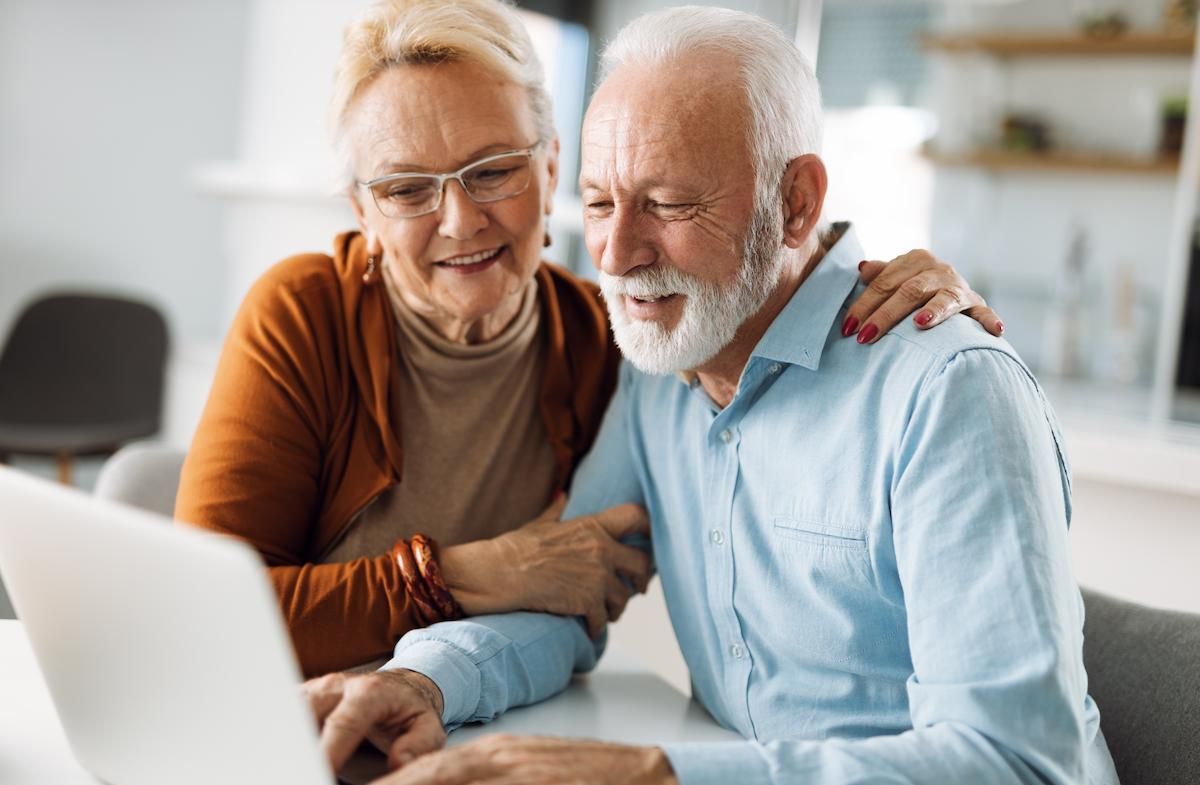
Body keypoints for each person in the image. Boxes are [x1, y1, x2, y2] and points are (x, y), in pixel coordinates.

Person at [302, 6, 1124, 785]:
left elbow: (1018, 772)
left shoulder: (948, 391)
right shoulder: (663, 368)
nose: (617, 255)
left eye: (668, 203)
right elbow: (570, 597)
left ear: (794, 203)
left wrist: (657, 783)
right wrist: (426, 680)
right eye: (597, 201)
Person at [176, 0, 1001, 678]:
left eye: (492, 170)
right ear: (362, 210)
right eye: (406, 188)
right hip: (284, 718)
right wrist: (473, 573)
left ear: (548, 168)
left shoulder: (613, 338)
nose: (460, 220)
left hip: (462, 725)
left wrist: (906, 282)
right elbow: (201, 618)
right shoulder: (304, 313)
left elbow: (746, 292)